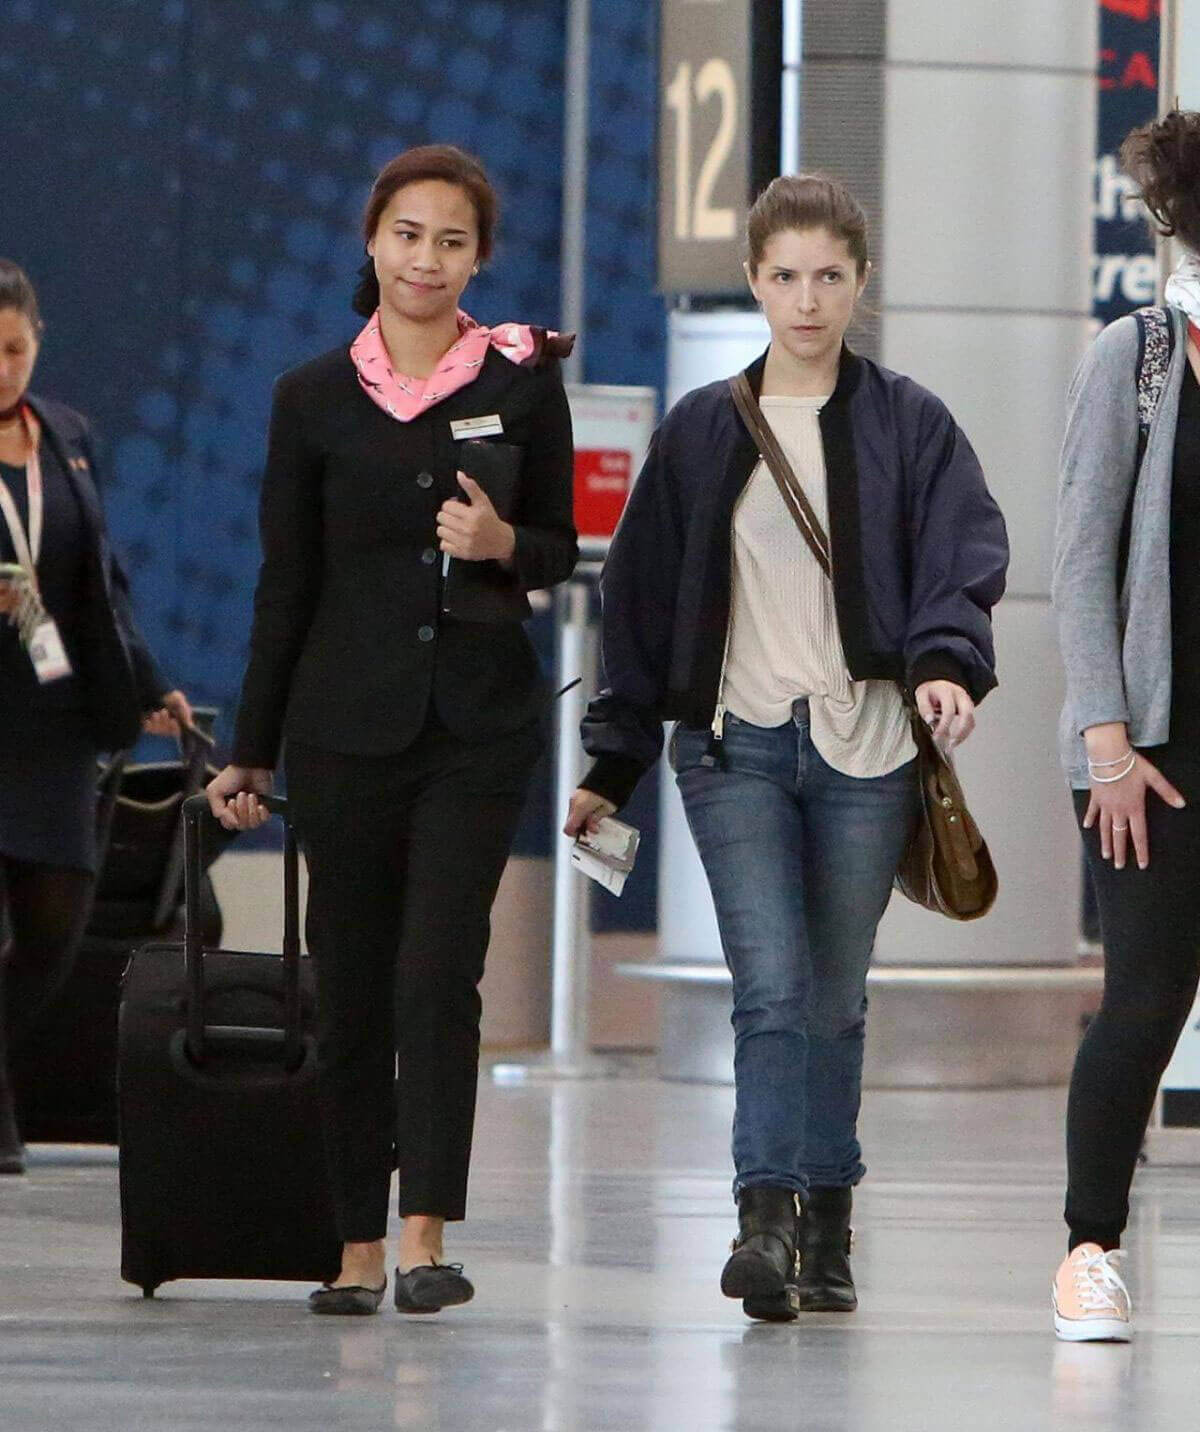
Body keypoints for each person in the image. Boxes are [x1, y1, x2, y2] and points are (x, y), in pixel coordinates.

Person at [566, 173, 1008, 1321]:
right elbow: (641, 596)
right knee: (769, 985)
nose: (806, 300)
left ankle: (830, 1215)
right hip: (735, 747)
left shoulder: (909, 422)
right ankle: (763, 1219)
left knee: (834, 994)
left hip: (867, 749)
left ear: (859, 282)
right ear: (754, 280)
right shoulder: (705, 429)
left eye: (828, 276)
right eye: (783, 276)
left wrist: (946, 667)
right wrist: (610, 763)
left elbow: (961, 556)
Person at [207, 145, 577, 1317]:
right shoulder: (310, 396)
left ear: (480, 259)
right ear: (373, 242)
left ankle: (426, 1235)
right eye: (408, 234)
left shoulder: (519, 383)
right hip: (342, 729)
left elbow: (564, 544)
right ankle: (352, 1242)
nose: (428, 258)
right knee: (354, 987)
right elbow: (287, 584)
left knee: (436, 974)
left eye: (452, 240)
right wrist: (251, 750)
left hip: (477, 726)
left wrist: (507, 547)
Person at [1051, 109, 1200, 1343]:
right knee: (1146, 1001)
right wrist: (1105, 738)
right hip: (1150, 748)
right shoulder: (1138, 355)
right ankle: (1088, 1247)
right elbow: (1078, 555)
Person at [0, 259, 192, 1175]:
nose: (2, 368)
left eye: (13, 349)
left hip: (56, 720)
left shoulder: (69, 436)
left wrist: (150, 684)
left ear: (37, 345)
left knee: (54, 932)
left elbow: (101, 580)